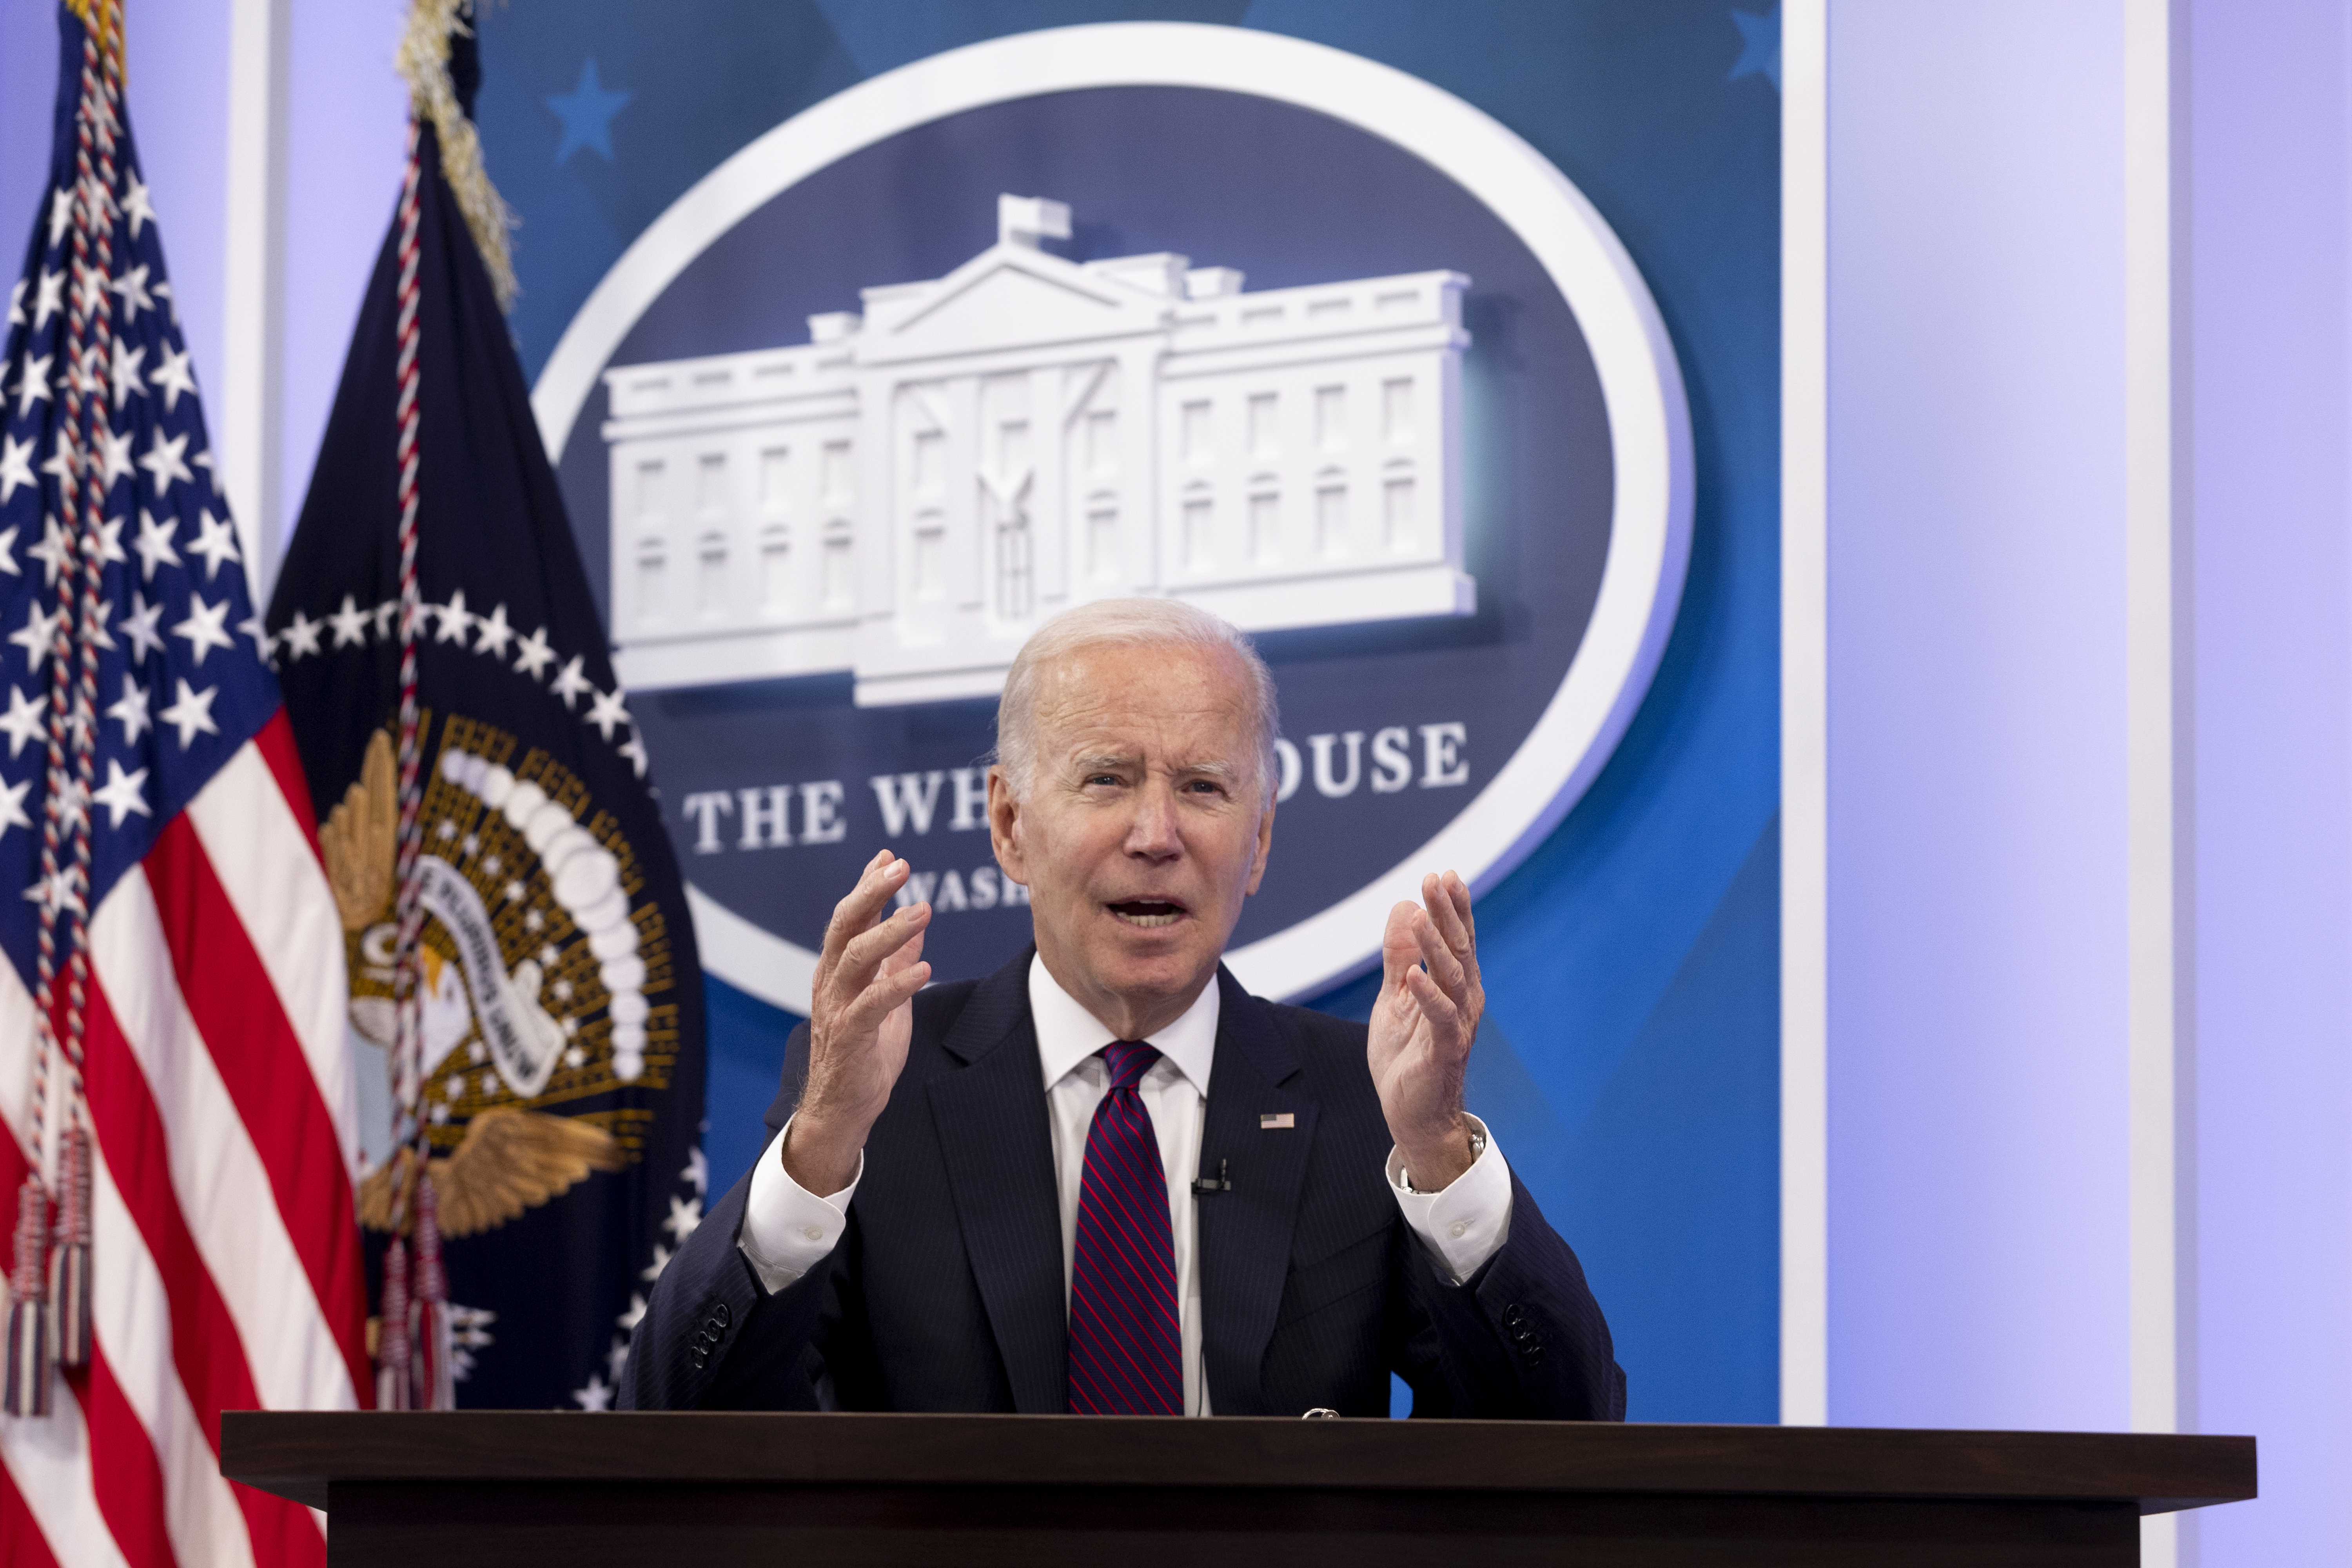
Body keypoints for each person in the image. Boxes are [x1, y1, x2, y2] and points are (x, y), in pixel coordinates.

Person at [624, 599, 1624, 1418]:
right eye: (1107, 779)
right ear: (1010, 823)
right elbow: (675, 1421)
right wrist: (820, 1151)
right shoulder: (877, 1088)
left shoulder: (1361, 1098)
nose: (1157, 832)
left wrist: (1442, 1150)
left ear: (1262, 839)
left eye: (1202, 785)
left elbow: (1573, 1427)